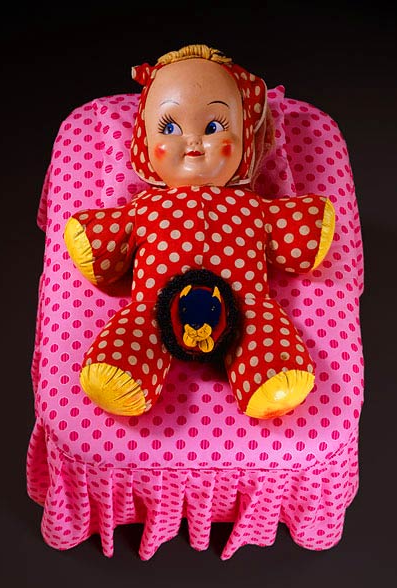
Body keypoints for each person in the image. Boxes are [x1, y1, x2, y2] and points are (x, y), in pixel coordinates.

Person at [64, 44, 335, 419]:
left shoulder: (253, 207)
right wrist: (93, 240)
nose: (192, 141)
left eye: (213, 127)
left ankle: (269, 374)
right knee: (140, 322)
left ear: (246, 137)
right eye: (169, 128)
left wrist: (309, 223)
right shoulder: (145, 208)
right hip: (153, 305)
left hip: (246, 305)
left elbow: (293, 234)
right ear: (145, 143)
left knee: (260, 325)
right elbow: (108, 242)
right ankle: (125, 369)